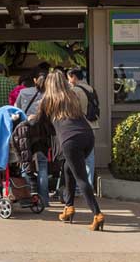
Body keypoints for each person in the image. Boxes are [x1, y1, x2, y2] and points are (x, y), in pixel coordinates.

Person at [35, 72, 104, 230]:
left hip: (70, 140)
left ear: (49, 84)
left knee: (81, 178)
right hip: (87, 136)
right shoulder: (72, 96)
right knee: (68, 168)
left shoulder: (47, 100)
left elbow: (39, 121)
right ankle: (69, 207)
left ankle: (97, 214)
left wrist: (30, 119)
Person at [14, 67, 51, 205]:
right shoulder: (49, 95)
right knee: (42, 166)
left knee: (25, 164)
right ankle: (44, 200)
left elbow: (16, 111)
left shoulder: (23, 92)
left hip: (25, 132)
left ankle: (27, 198)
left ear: (34, 80)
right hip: (42, 133)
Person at [67, 67, 99, 188]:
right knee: (90, 157)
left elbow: (71, 110)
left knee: (78, 157)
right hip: (93, 125)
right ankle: (89, 185)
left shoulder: (75, 90)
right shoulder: (91, 89)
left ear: (74, 77)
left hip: (80, 126)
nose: (69, 81)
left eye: (69, 78)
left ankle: (80, 186)